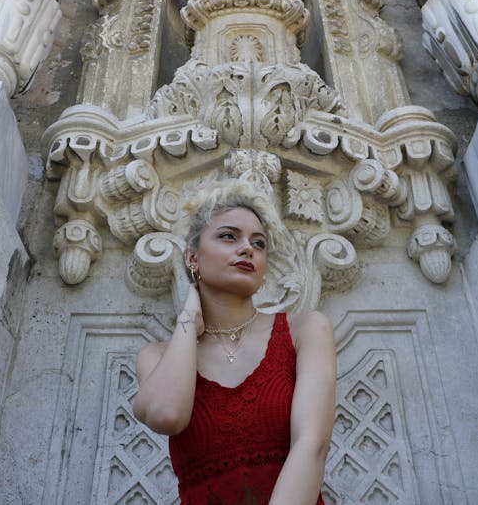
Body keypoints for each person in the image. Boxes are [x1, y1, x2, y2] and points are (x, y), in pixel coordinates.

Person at [133, 180, 336, 505]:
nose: (247, 249)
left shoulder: (306, 330)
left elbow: (311, 446)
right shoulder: (155, 357)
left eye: (259, 243)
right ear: (193, 258)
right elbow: (167, 414)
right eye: (229, 236)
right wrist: (189, 315)